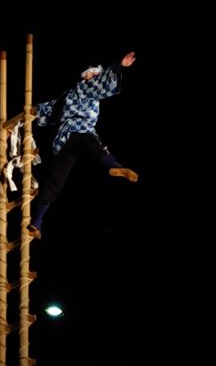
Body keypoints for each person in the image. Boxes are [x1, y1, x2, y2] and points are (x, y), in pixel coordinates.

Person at [26, 51, 138, 238]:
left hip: (63, 140)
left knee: (54, 183)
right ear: (87, 74)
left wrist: (35, 110)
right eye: (94, 74)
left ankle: (36, 223)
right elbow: (103, 84)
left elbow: (52, 109)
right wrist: (119, 66)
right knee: (96, 147)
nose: (96, 78)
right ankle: (116, 167)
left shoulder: (68, 94)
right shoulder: (87, 87)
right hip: (81, 131)